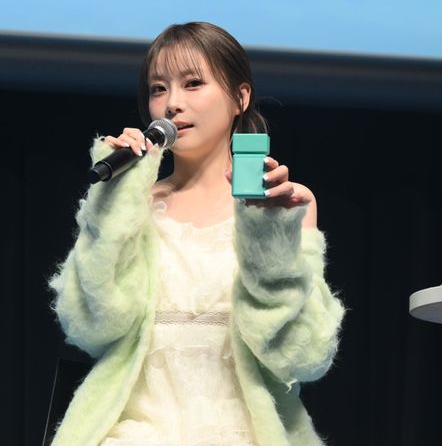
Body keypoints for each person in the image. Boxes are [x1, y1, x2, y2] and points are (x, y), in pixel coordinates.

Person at [49, 22, 345, 446]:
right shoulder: (133, 201)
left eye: (192, 83)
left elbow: (304, 357)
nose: (172, 103)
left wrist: (269, 241)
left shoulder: (285, 204)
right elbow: (90, 327)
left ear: (241, 97)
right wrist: (114, 204)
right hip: (135, 431)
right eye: (158, 88)